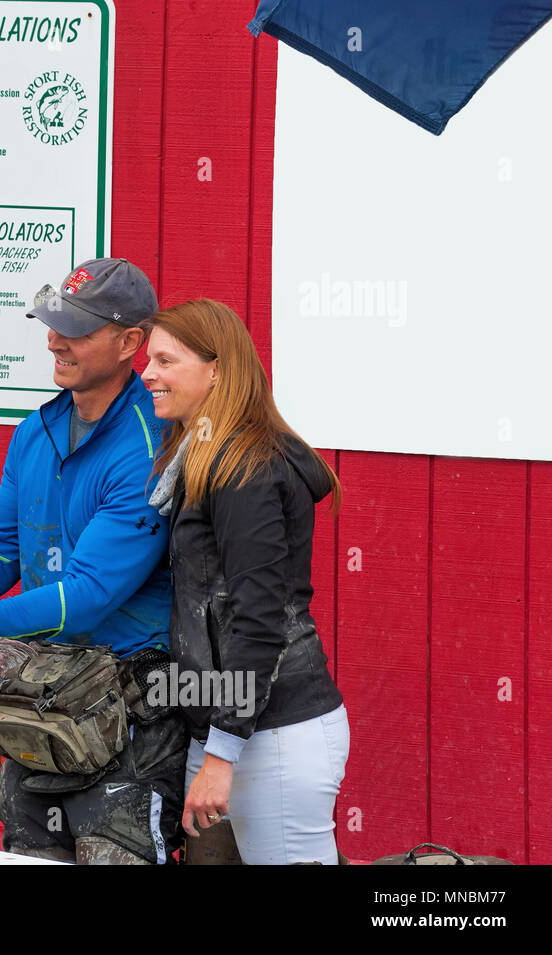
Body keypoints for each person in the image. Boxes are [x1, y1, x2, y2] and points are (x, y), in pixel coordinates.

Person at [0, 258, 188, 864]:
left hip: (130, 713)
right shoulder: (37, 431)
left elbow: (86, 593)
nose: (54, 339)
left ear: (131, 343)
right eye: (53, 323)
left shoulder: (148, 446)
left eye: (77, 329)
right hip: (40, 705)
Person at [139, 299, 349, 865]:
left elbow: (260, 618)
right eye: (147, 359)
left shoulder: (245, 470)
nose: (148, 373)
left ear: (217, 369)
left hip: (275, 733)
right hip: (224, 729)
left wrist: (222, 755)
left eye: (165, 360)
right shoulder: (200, 458)